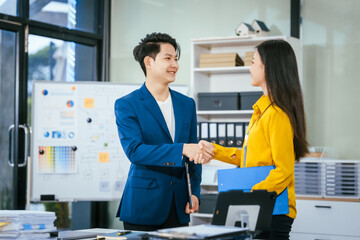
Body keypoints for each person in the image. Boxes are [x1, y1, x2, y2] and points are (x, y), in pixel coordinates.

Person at [196, 40, 309, 240]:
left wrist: (251, 196)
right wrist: (215, 150)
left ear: (269, 68)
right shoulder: (261, 111)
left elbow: (284, 170)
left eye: (254, 62)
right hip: (264, 206)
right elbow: (250, 157)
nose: (250, 67)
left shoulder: (277, 114)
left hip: (272, 209)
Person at [114, 32, 213, 231]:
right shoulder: (127, 104)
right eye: (168, 58)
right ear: (148, 62)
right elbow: (135, 151)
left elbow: (194, 154)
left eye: (176, 58)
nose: (174, 64)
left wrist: (194, 193)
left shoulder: (186, 104)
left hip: (179, 207)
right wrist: (182, 149)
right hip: (143, 207)